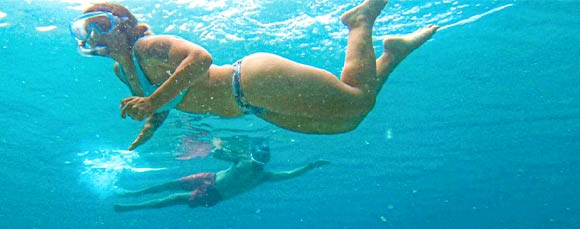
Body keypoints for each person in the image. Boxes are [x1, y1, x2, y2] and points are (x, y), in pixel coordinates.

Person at [69, 0, 438, 150]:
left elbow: (200, 59)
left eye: (100, 24)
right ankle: (394, 53)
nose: (94, 36)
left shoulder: (148, 47)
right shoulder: (124, 71)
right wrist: (148, 126)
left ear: (124, 24)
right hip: (253, 105)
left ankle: (361, 22)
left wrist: (150, 101)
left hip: (252, 80)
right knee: (349, 122)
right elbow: (166, 102)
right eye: (86, 30)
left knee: (356, 100)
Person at [113, 138, 328, 211]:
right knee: (170, 184)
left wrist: (311, 166)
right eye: (260, 155)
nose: (260, 159)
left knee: (173, 198)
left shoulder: (264, 175)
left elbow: (290, 174)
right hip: (210, 178)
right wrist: (219, 149)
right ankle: (132, 193)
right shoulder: (245, 161)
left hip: (215, 194)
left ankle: (132, 206)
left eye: (264, 157)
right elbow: (221, 155)